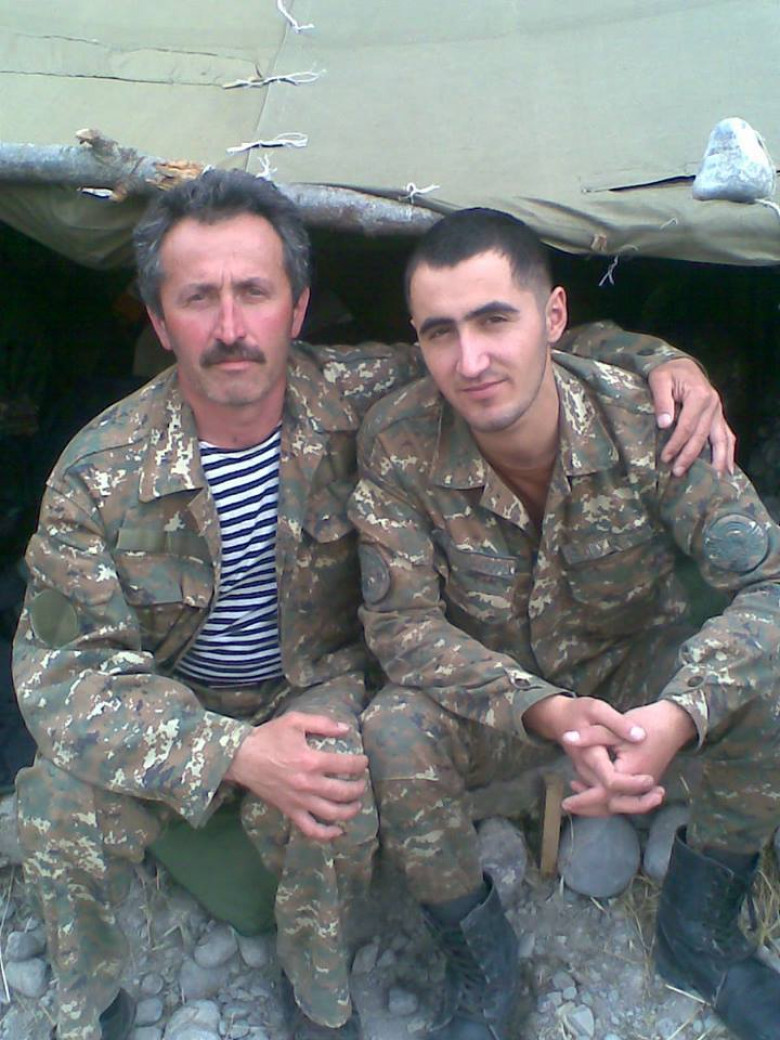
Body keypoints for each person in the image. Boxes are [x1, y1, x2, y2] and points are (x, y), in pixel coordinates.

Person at [13, 172, 732, 1040]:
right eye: (199, 298)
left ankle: (319, 1001)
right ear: (161, 323)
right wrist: (232, 752)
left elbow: (515, 347)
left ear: (298, 309)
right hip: (169, 701)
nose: (231, 327)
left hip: (311, 684)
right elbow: (61, 676)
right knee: (54, 811)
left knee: (334, 788)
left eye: (255, 293)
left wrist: (665, 364)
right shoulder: (97, 474)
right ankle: (89, 1005)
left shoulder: (359, 393)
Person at [350, 208, 780, 1040]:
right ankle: (482, 972)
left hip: (638, 676)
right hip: (505, 699)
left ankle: (699, 936)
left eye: (494, 320)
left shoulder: (649, 419)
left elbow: (769, 582)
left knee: (765, 672)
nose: (470, 360)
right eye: (441, 333)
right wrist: (545, 711)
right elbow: (402, 626)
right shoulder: (399, 442)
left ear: (553, 317)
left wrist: (682, 712)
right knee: (394, 728)